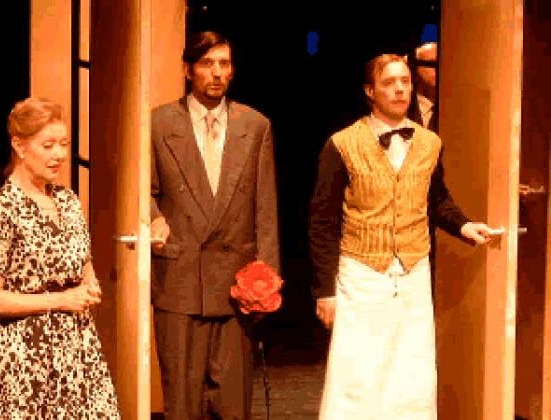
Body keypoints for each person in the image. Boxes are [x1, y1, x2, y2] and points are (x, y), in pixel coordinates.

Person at [309, 53, 493, 419]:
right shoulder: (342, 144)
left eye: (405, 82)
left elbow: (436, 198)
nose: (399, 90)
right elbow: (322, 220)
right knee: (358, 371)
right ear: (370, 91)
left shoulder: (429, 143)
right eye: (389, 83)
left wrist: (464, 226)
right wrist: (324, 290)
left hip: (412, 270)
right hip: (362, 272)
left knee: (411, 370)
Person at [150, 31, 280, 419]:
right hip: (180, 279)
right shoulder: (158, 123)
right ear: (189, 69)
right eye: (207, 64)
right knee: (182, 401)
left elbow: (265, 207)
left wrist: (267, 279)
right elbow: (144, 191)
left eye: (224, 64)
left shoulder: (255, 125)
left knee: (233, 403)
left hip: (236, 283)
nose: (217, 73)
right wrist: (155, 220)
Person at [0, 97, 120, 418]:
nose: (59, 155)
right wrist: (61, 300)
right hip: (27, 355)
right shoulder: (3, 208)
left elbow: (84, 266)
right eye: (48, 145)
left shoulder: (68, 200)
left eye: (63, 144)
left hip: (78, 349)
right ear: (20, 146)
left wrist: (90, 285)